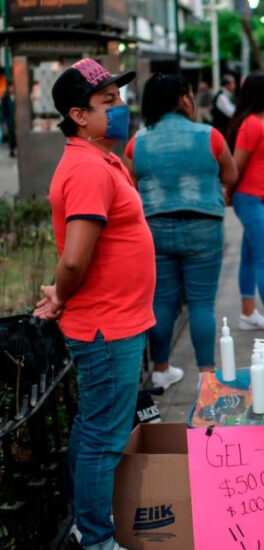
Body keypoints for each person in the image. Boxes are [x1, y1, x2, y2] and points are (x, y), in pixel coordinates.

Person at [33, 58, 156, 550]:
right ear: (79, 115)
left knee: (93, 430)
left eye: (119, 98)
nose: (121, 109)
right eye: (108, 102)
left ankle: (88, 523)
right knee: (104, 437)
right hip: (108, 327)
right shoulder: (86, 168)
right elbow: (75, 257)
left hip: (115, 319)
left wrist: (61, 295)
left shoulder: (102, 159)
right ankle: (97, 538)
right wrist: (61, 294)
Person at [124, 74, 237, 382]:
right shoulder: (209, 135)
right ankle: (206, 373)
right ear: (182, 99)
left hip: (155, 229)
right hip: (204, 226)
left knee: (162, 302)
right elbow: (231, 174)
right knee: (202, 303)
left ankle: (160, 370)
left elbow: (130, 186)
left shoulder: (137, 142)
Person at [226, 72, 264, 329]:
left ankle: (248, 314)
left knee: (249, 256)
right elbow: (236, 166)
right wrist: (227, 192)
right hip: (250, 199)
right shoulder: (251, 124)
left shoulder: (263, 119)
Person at [1, 83, 16, 157]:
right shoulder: (5, 98)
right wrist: (5, 120)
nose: (12, 89)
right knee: (11, 135)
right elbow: (4, 110)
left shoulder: (17, 97)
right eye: (10, 87)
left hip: (16, 120)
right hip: (9, 120)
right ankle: (12, 150)